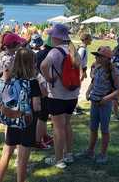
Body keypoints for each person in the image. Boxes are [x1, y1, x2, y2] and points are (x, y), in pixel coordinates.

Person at [0, 48, 41, 182]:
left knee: (6, 152)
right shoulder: (33, 82)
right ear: (31, 63)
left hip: (13, 121)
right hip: (28, 122)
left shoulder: (10, 79)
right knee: (22, 159)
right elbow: (37, 106)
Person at [40, 24, 80, 169]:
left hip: (57, 95)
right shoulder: (73, 50)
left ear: (56, 37)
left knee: (58, 128)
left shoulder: (55, 52)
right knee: (67, 124)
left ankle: (58, 159)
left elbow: (43, 66)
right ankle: (68, 154)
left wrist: (49, 78)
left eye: (52, 35)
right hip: (72, 95)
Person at [82, 46, 119, 163]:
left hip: (105, 104)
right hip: (94, 102)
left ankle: (103, 154)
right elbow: (93, 82)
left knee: (104, 130)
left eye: (99, 56)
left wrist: (106, 98)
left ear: (106, 58)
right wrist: (88, 91)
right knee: (93, 128)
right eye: (96, 55)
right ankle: (90, 151)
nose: (96, 57)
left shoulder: (112, 70)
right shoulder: (98, 67)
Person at [35, 35, 54, 149]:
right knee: (43, 116)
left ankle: (44, 136)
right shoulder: (51, 55)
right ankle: (38, 141)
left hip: (38, 86)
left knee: (42, 115)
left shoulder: (38, 54)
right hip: (46, 87)